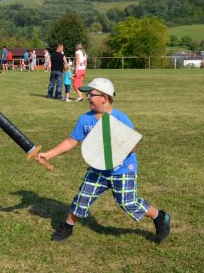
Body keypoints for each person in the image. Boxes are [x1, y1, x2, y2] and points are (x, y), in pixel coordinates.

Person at [36, 78, 171, 243]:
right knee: (82, 197)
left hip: (122, 168)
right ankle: (67, 226)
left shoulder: (121, 119)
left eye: (91, 94)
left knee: (129, 202)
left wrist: (113, 138)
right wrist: (48, 155)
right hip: (98, 168)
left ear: (104, 98)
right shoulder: (85, 120)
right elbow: (71, 141)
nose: (87, 98)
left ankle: (160, 217)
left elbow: (132, 148)